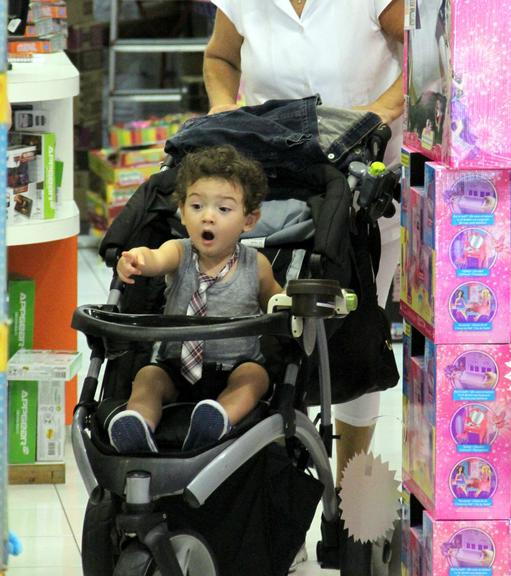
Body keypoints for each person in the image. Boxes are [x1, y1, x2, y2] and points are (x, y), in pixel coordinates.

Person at [203, 0, 404, 489]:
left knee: (353, 334)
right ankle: (285, 503)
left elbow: (432, 52)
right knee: (276, 336)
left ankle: (350, 492)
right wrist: (222, 106)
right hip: (276, 194)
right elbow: (220, 59)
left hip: (364, 188)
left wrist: (382, 109)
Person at [108, 144, 282, 453]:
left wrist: (291, 303)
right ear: (182, 211)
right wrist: (136, 258)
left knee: (255, 377)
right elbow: (155, 258)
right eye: (197, 206)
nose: (208, 218)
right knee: (147, 377)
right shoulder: (180, 251)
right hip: (174, 366)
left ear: (249, 220)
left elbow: (275, 301)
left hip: (235, 366)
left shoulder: (256, 265)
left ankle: (217, 419)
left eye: (224, 209)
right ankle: (137, 423)